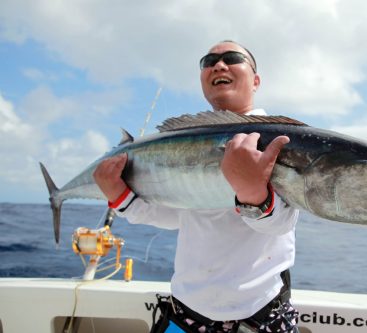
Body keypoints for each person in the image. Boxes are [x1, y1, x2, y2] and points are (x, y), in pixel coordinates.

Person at [93, 40, 300, 333]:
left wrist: (255, 195)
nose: (218, 64)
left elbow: (281, 224)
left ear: (256, 80)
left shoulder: (277, 139)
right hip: (186, 311)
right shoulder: (187, 139)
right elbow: (177, 216)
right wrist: (120, 198)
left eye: (232, 57)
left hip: (259, 313)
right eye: (208, 61)